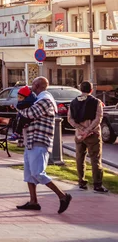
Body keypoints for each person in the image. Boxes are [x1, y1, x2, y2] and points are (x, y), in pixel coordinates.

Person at [17, 76, 72, 214]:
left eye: (33, 86)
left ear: (38, 86)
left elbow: (29, 114)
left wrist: (18, 109)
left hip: (40, 139)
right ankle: (33, 201)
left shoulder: (45, 100)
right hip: (31, 140)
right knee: (29, 174)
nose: (31, 89)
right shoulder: (39, 100)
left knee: (37, 173)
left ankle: (63, 196)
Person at [68, 81, 108, 193]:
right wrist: (88, 129)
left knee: (80, 158)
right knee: (95, 159)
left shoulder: (73, 102)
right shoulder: (96, 102)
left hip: (79, 135)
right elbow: (98, 118)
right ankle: (97, 184)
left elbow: (70, 118)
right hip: (93, 134)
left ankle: (81, 181)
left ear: (80, 89)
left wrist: (80, 129)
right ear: (91, 90)